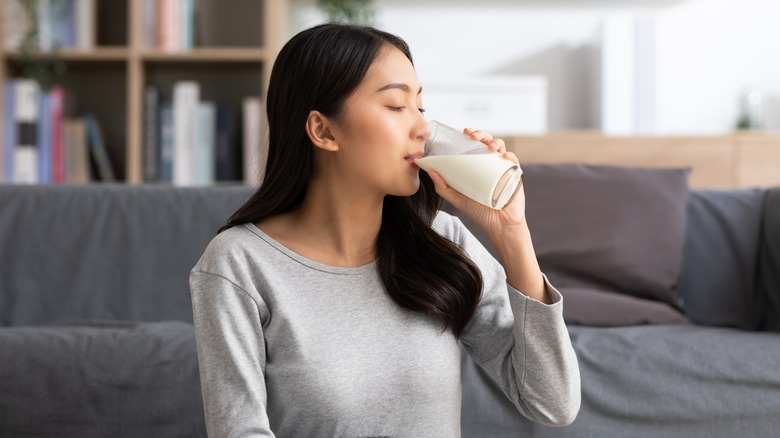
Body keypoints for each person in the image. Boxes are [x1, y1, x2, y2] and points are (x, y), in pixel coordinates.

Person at [189, 23, 580, 437]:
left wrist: (511, 230)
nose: (424, 129)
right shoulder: (239, 264)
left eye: (421, 108)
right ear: (323, 130)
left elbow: (552, 403)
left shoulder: (441, 241)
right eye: (396, 106)